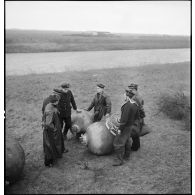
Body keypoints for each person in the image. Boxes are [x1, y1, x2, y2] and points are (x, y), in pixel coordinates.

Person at [112, 88, 139, 166]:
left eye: (124, 95)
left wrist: (120, 129)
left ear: (127, 96)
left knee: (118, 143)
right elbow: (137, 116)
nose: (123, 97)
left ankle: (119, 160)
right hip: (130, 126)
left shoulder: (127, 106)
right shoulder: (135, 104)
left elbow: (124, 120)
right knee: (127, 141)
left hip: (125, 127)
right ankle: (127, 156)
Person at [42, 94, 66, 167]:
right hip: (50, 132)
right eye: (58, 101)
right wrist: (55, 129)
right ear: (55, 101)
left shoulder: (50, 105)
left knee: (55, 145)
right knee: (50, 146)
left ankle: (56, 155)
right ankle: (49, 162)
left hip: (53, 129)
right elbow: (48, 124)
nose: (58, 102)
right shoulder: (50, 111)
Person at [128, 83, 146, 151]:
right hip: (139, 117)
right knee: (136, 132)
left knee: (135, 132)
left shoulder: (136, 97)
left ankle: (135, 147)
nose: (130, 91)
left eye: (131, 89)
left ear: (134, 89)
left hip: (137, 117)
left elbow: (136, 108)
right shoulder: (139, 95)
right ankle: (136, 145)